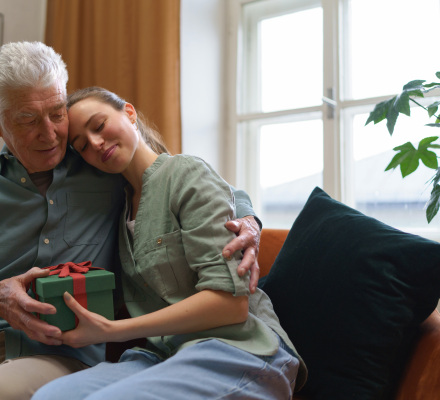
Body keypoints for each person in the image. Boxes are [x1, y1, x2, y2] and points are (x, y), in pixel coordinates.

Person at [0, 42, 262, 400]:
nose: (50, 134)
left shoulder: (99, 163)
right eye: (27, 119)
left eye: (57, 113)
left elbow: (184, 177)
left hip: (59, 350)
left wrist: (248, 220)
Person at [31, 87, 307, 400]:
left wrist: (112, 331)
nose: (95, 144)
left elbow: (231, 304)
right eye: (82, 146)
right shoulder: (117, 207)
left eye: (99, 126)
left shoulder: (184, 173)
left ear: (130, 113)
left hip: (240, 348)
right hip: (166, 355)